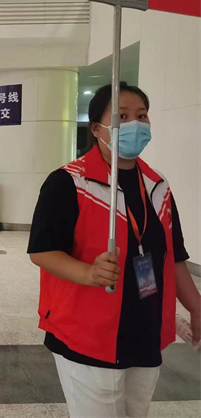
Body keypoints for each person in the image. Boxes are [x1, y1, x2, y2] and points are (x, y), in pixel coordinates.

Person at [28, 82, 200, 417]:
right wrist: (88, 273)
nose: (135, 124)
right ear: (97, 128)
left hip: (145, 329)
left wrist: (196, 306)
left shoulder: (157, 185)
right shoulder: (70, 182)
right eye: (122, 116)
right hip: (87, 333)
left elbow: (175, 256)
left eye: (142, 116)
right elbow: (42, 251)